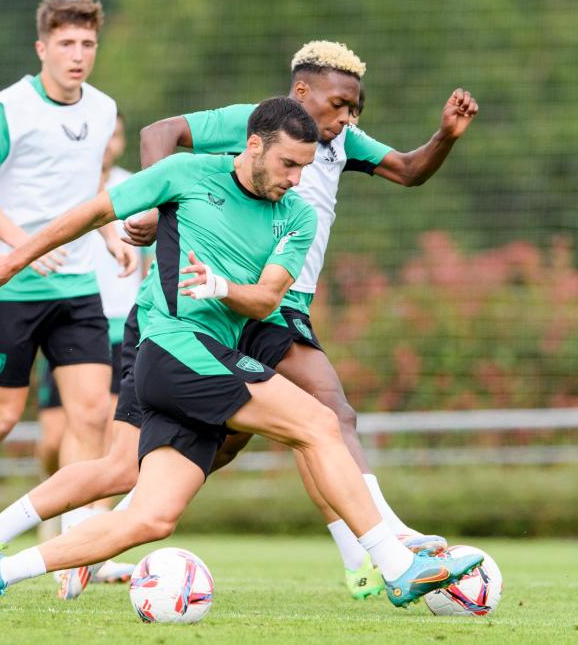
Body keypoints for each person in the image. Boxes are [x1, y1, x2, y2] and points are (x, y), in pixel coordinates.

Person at [0, 97, 481, 609]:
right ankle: (393, 564)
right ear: (254, 146)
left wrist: (222, 287)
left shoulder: (297, 215)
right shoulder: (186, 174)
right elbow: (91, 213)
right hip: (173, 350)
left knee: (150, 518)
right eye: (288, 164)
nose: (297, 179)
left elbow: (268, 298)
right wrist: (12, 261)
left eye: (305, 168)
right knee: (318, 423)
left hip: (206, 359)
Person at [133, 40, 479, 598]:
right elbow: (158, 133)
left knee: (219, 445)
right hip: (250, 301)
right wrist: (155, 203)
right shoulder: (255, 126)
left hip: (283, 302)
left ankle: (110, 519)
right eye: (340, 104)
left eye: (355, 110)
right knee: (331, 409)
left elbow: (410, 171)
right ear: (301, 91)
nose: (347, 118)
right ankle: (387, 538)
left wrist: (444, 136)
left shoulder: (341, 144)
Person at [0, 0, 136, 583]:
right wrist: (23, 249)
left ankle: (78, 545)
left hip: (77, 288)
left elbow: (89, 187)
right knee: (0, 417)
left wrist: (113, 234)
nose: (78, 55)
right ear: (42, 48)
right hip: (12, 288)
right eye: (66, 44)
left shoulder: (102, 109)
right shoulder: (10, 108)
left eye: (87, 44)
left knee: (91, 411)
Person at [32, 113, 142, 585]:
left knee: (104, 429)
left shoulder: (133, 186)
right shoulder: (65, 185)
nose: (109, 140)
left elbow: (154, 250)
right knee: (55, 440)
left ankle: (90, 543)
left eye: (116, 132)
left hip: (122, 326)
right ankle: (50, 512)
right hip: (69, 320)